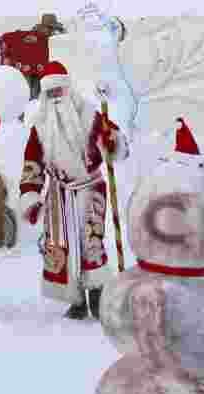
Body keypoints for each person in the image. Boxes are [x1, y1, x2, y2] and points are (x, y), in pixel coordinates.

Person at [19, 61, 128, 320]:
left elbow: (114, 145)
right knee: (60, 245)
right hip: (59, 194)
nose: (56, 98)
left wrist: (112, 140)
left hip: (90, 188)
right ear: (45, 96)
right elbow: (32, 162)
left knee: (91, 240)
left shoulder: (92, 116)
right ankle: (75, 298)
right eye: (51, 93)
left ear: (68, 90)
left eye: (60, 91)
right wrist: (31, 194)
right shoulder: (39, 127)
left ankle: (98, 294)